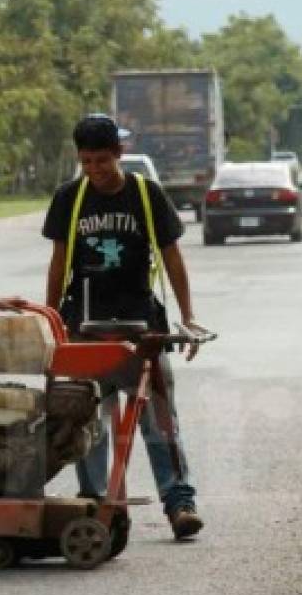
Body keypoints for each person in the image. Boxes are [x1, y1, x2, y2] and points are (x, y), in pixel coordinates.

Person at [43, 114, 206, 540]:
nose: (95, 170)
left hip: (141, 328)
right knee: (87, 420)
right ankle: (97, 503)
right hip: (85, 324)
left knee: (159, 420)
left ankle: (179, 503)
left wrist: (187, 316)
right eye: (87, 162)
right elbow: (59, 263)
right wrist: (50, 318)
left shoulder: (146, 195)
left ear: (119, 154)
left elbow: (172, 258)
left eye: (102, 160)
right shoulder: (69, 198)